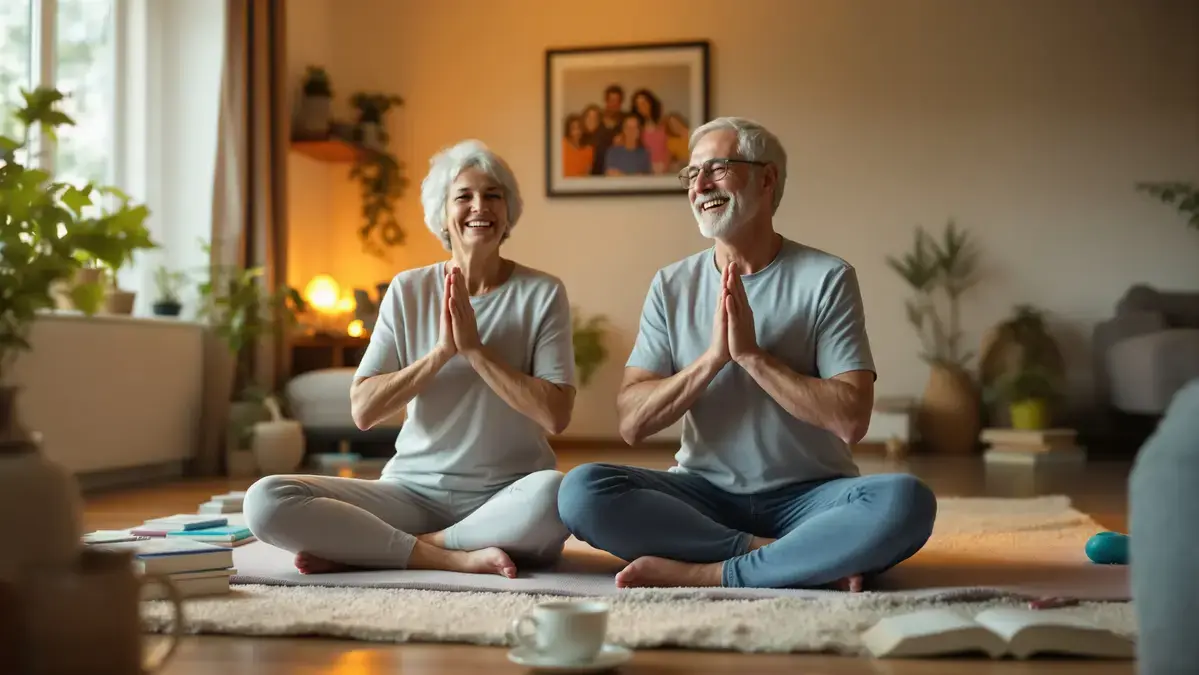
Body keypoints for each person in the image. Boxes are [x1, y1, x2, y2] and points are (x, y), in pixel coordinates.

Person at [557, 117, 937, 591]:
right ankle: (784, 558)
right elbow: (633, 423)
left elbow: (851, 420)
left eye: (718, 168)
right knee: (582, 491)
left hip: (812, 496)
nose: (700, 185)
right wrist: (713, 359)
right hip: (704, 495)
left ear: (767, 178)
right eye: (692, 174)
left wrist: (754, 356)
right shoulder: (671, 285)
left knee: (906, 501)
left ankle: (709, 571)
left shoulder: (827, 278)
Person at [244, 140, 577, 578]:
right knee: (266, 500)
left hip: (506, 495)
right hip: (412, 494)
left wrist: (476, 352)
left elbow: (555, 415)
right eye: (464, 196)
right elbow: (364, 409)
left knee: (556, 494)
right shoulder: (409, 290)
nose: (480, 206)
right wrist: (440, 354)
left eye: (493, 195)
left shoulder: (542, 292)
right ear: (443, 214)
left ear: (509, 211)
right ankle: (445, 554)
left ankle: (393, 548)